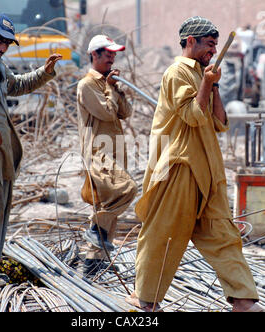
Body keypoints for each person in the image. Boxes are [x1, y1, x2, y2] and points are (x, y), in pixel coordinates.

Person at [125, 16, 264, 312]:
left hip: (209, 172)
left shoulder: (203, 74)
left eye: (215, 46)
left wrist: (213, 87)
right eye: (209, 46)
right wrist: (205, 82)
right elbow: (191, 115)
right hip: (181, 168)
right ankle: (147, 302)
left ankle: (243, 300)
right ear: (191, 42)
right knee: (162, 233)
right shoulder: (177, 72)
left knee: (223, 235)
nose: (213, 52)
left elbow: (220, 122)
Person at [0, 13, 62, 294]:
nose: (3, 47)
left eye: (7, 43)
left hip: (1, 153)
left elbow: (17, 85)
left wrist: (44, 73)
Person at [77, 35, 137, 277]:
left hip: (113, 152)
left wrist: (115, 88)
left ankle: (93, 265)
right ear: (95, 55)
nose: (112, 57)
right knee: (127, 189)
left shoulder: (107, 83)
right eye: (108, 53)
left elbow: (126, 112)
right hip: (97, 153)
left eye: (114, 53)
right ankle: (95, 232)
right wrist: (110, 89)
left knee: (106, 208)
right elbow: (107, 112)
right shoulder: (87, 85)